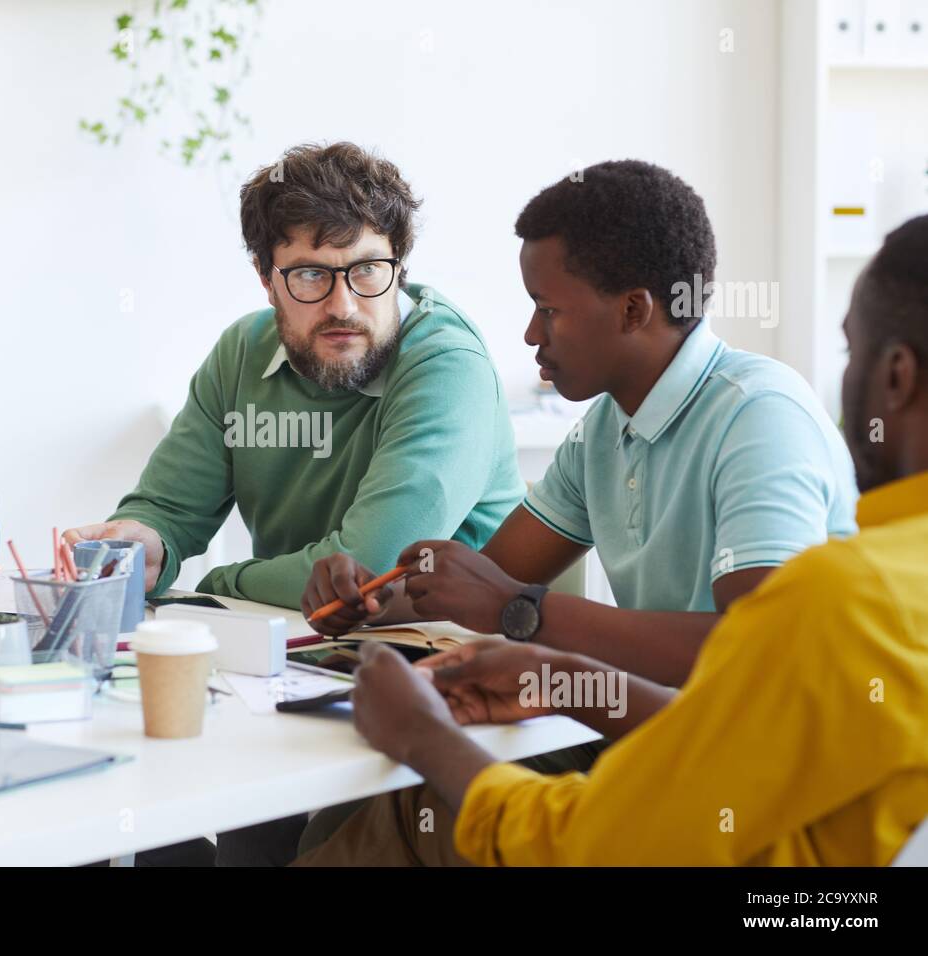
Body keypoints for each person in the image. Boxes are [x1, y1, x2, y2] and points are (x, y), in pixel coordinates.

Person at [303, 213, 928, 866]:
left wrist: (428, 731)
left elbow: (583, 845)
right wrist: (379, 597)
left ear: (896, 377)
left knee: (415, 809)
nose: (528, 333)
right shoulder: (606, 428)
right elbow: (759, 722)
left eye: (548, 309)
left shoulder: (777, 447)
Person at [64, 141, 525, 614]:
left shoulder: (449, 365)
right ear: (266, 279)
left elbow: (365, 570)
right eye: (310, 275)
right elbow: (169, 509)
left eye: (367, 269)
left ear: (400, 266)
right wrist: (147, 542)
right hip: (299, 647)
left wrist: (221, 584)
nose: (343, 306)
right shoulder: (242, 351)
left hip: (449, 654)